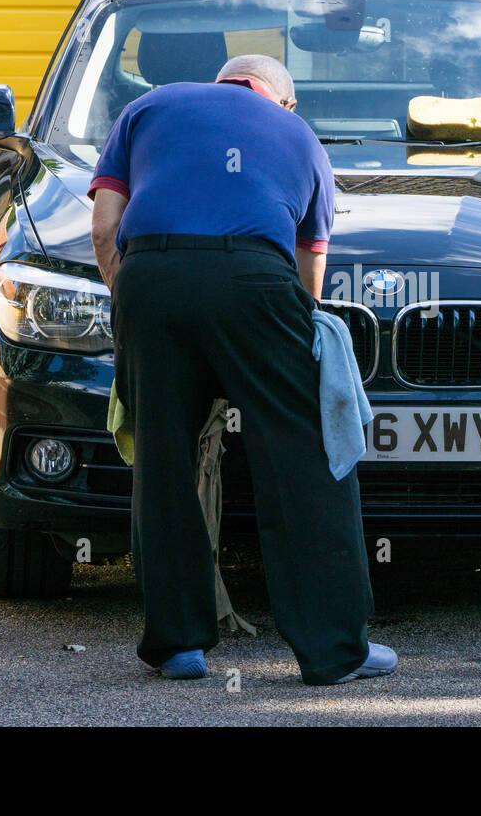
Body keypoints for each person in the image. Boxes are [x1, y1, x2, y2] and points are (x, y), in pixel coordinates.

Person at [88, 54, 395, 686]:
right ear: (281, 100)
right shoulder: (300, 136)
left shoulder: (147, 108)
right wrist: (273, 351)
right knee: (303, 457)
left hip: (150, 275)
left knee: (163, 456)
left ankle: (178, 644)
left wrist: (134, 300)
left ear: (222, 81)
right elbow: (309, 276)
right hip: (255, 279)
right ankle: (334, 649)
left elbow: (104, 227)